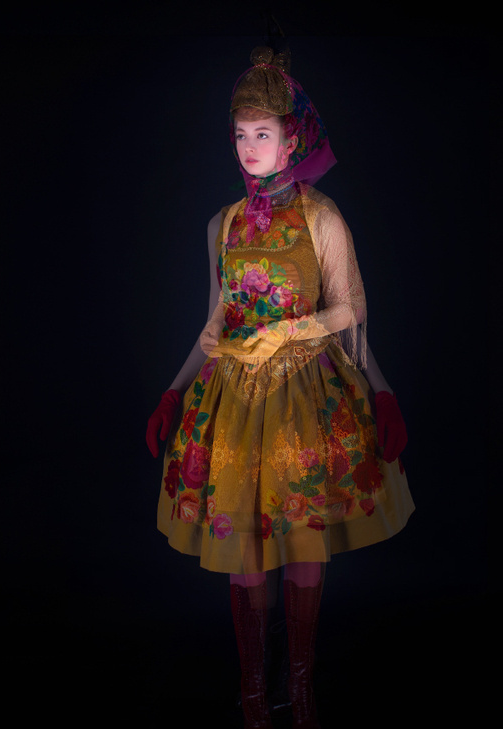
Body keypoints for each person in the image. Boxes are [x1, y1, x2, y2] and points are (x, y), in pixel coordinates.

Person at [146, 44, 414, 729]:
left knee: (301, 545)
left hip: (304, 400)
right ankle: (253, 694)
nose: (249, 147)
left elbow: (352, 311)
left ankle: (301, 685)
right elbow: (215, 321)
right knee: (244, 552)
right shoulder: (224, 224)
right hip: (234, 404)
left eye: (262, 133)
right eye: (240, 134)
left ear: (292, 140)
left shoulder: (323, 217)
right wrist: (174, 391)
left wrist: (380, 391)